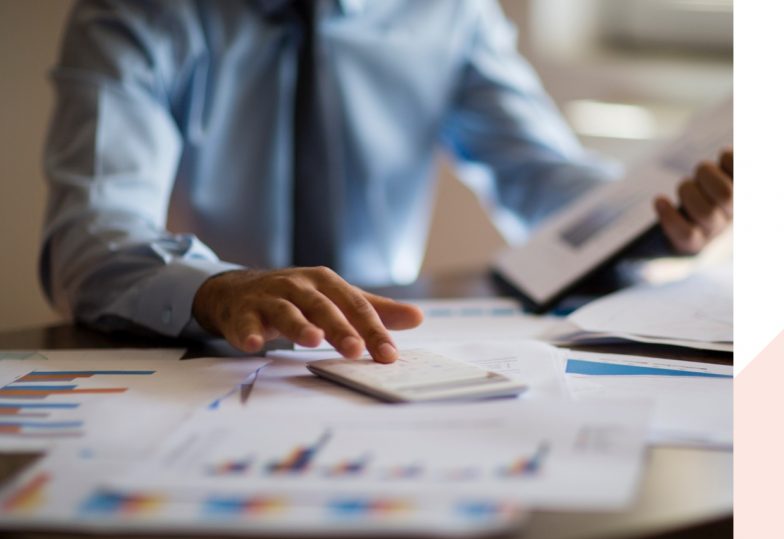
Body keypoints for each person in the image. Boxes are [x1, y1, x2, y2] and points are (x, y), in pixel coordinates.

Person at [40, 0, 733, 363]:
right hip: (213, 352)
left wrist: (653, 218)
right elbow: (91, 236)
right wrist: (217, 287)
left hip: (391, 352)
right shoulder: (134, 12)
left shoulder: (449, 10)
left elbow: (540, 177)